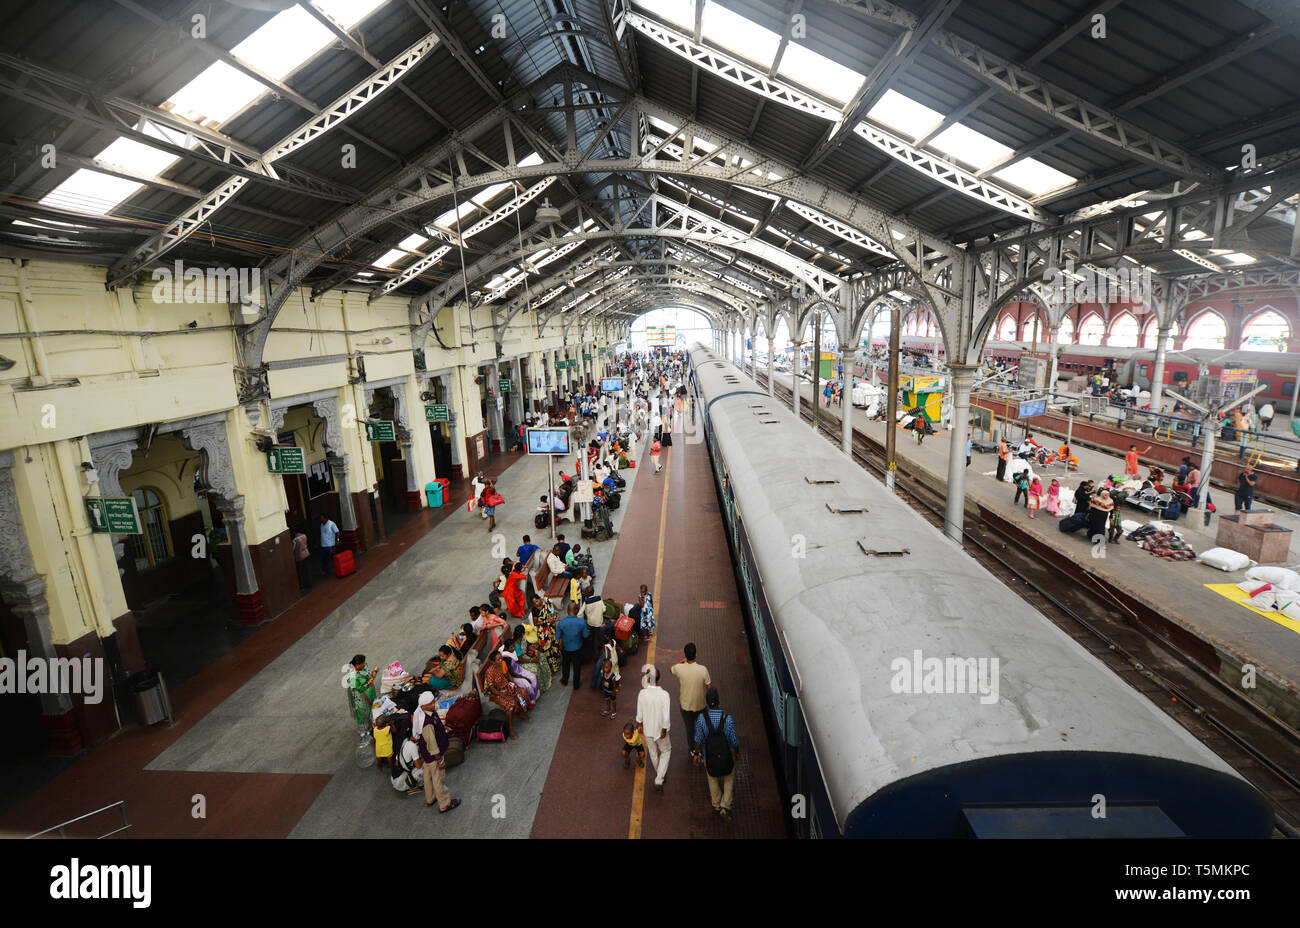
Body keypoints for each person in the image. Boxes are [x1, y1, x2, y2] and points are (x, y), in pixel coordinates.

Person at [692, 687, 740, 821]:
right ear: (719, 701)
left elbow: (697, 739)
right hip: (727, 756)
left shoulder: (702, 719)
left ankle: (716, 804)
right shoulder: (727, 719)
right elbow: (734, 740)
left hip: (709, 757)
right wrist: (736, 753)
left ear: (707, 703)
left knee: (712, 778)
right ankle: (725, 805)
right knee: (729, 778)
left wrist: (696, 754)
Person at [413, 692, 460, 813]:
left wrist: (444, 729)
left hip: (426, 754)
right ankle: (445, 803)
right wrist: (440, 760)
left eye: (433, 701)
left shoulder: (425, 713)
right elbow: (432, 745)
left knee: (428, 776)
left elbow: (435, 727)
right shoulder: (427, 723)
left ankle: (431, 798)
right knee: (438, 778)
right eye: (430, 704)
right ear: (423, 706)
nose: (433, 704)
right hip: (433, 755)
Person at [636, 665, 672, 794]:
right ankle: (659, 778)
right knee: (666, 752)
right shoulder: (664, 695)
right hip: (660, 731)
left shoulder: (642, 693)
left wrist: (639, 724)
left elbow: (639, 713)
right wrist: (664, 729)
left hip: (648, 730)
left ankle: (660, 774)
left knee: (653, 753)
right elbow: (666, 715)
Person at [671, 643, 710, 757]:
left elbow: (671, 669)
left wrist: (681, 662)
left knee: (690, 729)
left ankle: (692, 750)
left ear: (685, 655)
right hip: (701, 705)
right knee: (701, 727)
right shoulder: (703, 670)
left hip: (685, 706)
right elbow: (709, 687)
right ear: (696, 654)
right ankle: (701, 749)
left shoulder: (679, 668)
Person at [483, 645, 530, 738]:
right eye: (498, 660)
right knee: (511, 706)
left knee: (522, 693)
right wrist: (504, 696)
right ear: (492, 662)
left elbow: (508, 675)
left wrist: (514, 685)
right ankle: (510, 728)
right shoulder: (489, 672)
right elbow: (492, 689)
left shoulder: (503, 664)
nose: (501, 661)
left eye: (501, 658)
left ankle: (521, 712)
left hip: (507, 687)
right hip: (498, 693)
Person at [556, 601, 589, 690]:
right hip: (577, 648)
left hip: (566, 648)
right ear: (577, 611)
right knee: (577, 666)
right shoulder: (581, 622)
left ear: (567, 611)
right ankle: (576, 684)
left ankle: (564, 681)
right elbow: (586, 636)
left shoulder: (561, 623)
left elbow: (557, 637)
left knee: (565, 665)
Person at [341, 654, 377, 729]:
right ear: (357, 665)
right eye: (363, 663)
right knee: (364, 712)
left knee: (372, 708)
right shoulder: (353, 677)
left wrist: (373, 673)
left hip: (369, 693)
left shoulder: (362, 667)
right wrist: (369, 682)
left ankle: (373, 723)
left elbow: (367, 672)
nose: (364, 664)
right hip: (361, 698)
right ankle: (366, 730)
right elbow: (360, 688)